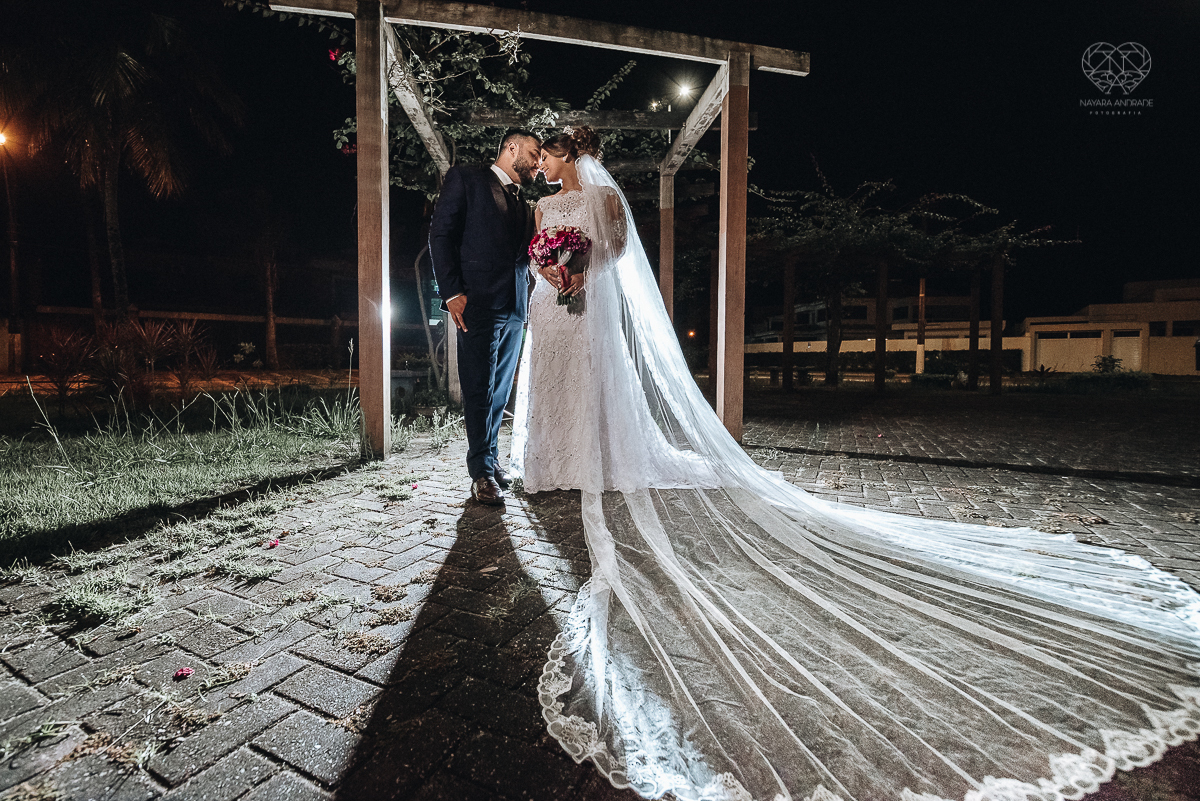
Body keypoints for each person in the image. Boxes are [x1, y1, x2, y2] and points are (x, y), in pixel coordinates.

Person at [511, 128, 1200, 801]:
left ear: (570, 152)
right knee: (551, 384)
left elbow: (620, 255)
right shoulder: (541, 208)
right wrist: (550, 270)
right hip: (551, 303)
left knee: (591, 383)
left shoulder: (602, 201)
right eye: (537, 158)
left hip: (589, 302)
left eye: (546, 155)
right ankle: (552, 458)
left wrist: (580, 268)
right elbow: (536, 250)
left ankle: (592, 453)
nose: (540, 167)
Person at [429, 129, 540, 505]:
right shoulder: (467, 178)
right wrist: (451, 293)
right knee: (478, 387)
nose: (539, 162)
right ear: (512, 148)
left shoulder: (523, 203)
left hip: (514, 305)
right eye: (534, 152)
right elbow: (440, 235)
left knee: (498, 391)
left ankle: (489, 462)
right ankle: (480, 473)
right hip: (475, 302)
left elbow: (523, 255)